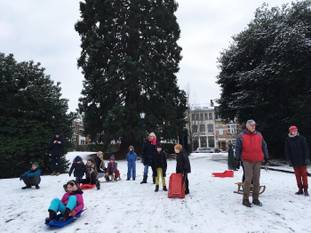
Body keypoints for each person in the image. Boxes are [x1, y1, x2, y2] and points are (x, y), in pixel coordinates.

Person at [235, 119, 269, 207]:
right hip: (247, 160)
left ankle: (255, 199)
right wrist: (237, 159)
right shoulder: (241, 136)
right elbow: (238, 148)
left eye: (254, 125)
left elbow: (264, 145)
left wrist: (266, 156)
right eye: (251, 125)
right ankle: (245, 199)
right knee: (248, 179)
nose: (253, 126)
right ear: (247, 126)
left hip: (258, 160)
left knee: (257, 180)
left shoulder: (259, 135)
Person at [284, 125, 310, 196]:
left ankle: (305, 190)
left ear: (297, 131)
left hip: (302, 160)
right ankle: (300, 189)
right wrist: (289, 160)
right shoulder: (288, 140)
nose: (294, 132)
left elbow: (306, 149)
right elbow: (287, 151)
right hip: (294, 161)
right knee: (297, 175)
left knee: (304, 175)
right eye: (292, 131)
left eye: (295, 131)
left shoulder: (302, 138)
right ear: (290, 132)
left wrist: (306, 158)